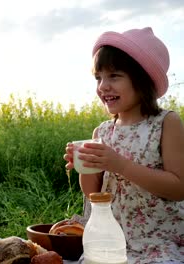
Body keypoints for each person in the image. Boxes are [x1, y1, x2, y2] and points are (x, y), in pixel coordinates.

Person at [63, 27, 184, 263]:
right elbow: (94, 195)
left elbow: (179, 188)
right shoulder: (103, 132)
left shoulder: (165, 123)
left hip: (158, 241)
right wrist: (86, 168)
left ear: (142, 80)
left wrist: (119, 164)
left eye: (114, 76)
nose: (103, 86)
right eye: (98, 78)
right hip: (111, 241)